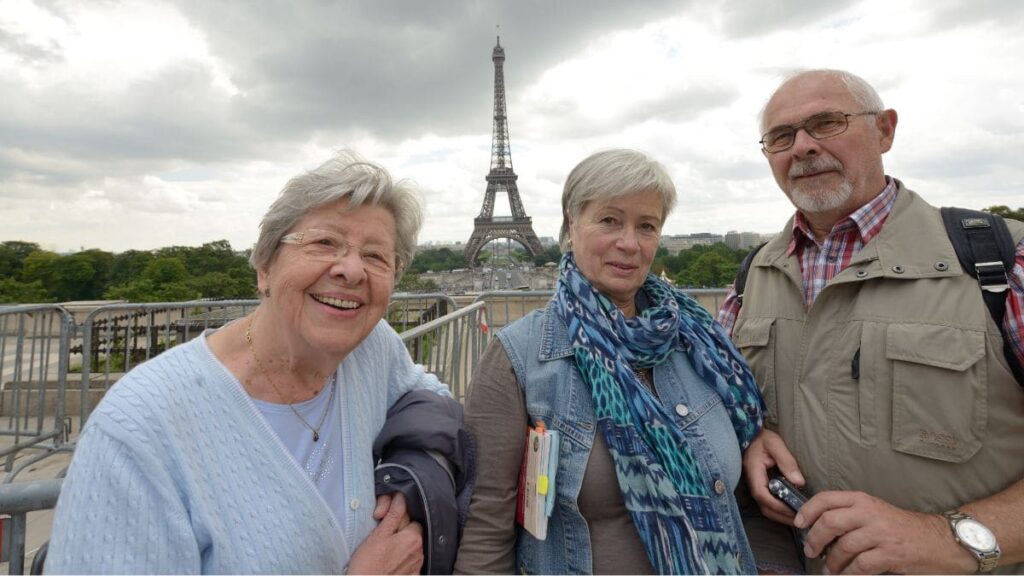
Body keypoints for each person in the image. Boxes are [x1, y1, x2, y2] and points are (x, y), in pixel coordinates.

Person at [47, 152, 458, 574]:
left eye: (375, 256)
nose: (351, 270)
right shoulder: (140, 428)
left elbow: (428, 396)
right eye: (324, 243)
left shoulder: (371, 349)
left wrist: (410, 476)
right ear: (264, 265)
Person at [718, 69, 1024, 574]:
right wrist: (749, 437)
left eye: (827, 123)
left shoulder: (1001, 261)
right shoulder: (752, 277)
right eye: (781, 136)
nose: (803, 147)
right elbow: (719, 401)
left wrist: (949, 537)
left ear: (884, 130)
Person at [454, 149, 765, 574]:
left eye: (647, 226)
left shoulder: (702, 343)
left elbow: (745, 501)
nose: (629, 243)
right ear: (571, 224)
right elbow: (487, 526)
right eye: (609, 220)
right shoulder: (518, 355)